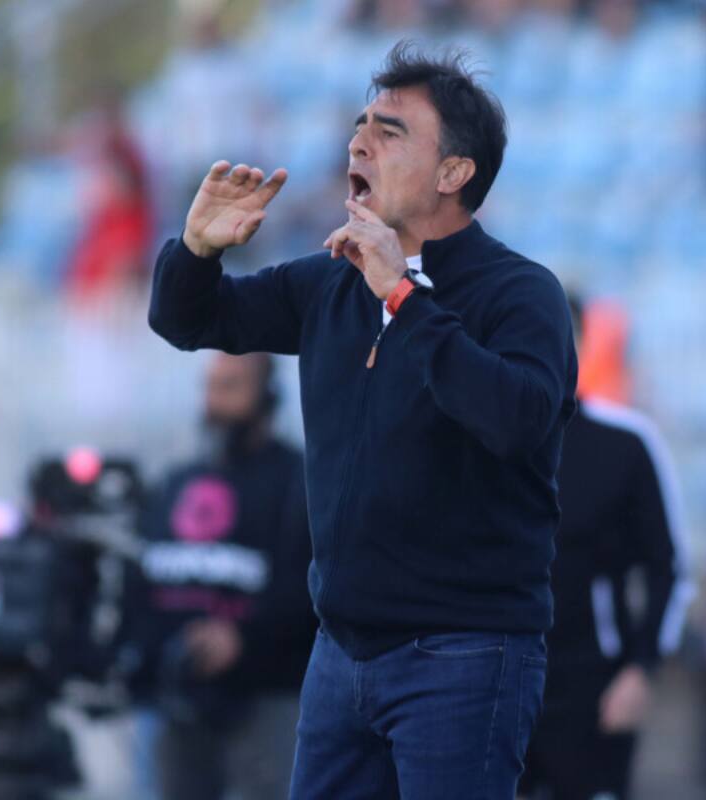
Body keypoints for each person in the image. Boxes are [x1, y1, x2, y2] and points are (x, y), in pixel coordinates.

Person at [148, 42, 578, 799]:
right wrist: (195, 251)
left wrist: (402, 298)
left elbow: (516, 420)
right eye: (358, 126)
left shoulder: (521, 293)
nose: (358, 143)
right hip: (341, 653)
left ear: (453, 174)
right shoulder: (328, 284)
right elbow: (188, 320)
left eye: (390, 130)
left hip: (466, 656)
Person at [520, 295, 694, 800]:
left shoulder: (627, 444)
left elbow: (669, 569)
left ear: (578, 344)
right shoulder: (480, 442)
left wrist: (642, 669)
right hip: (493, 684)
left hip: (592, 688)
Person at [129, 352, 315, 800]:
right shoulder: (175, 482)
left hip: (269, 697)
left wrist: (242, 637)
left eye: (231, 386)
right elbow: (144, 579)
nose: (214, 400)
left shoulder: (300, 480)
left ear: (268, 396)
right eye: (211, 385)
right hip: (180, 703)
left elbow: (312, 589)